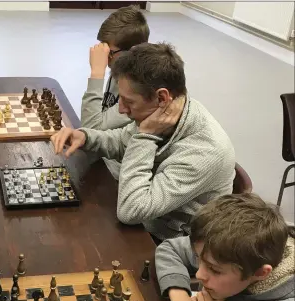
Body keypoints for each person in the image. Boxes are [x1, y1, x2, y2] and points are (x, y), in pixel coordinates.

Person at [51, 42, 235, 241]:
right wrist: (86, 137)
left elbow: (131, 210)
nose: (121, 109)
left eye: (129, 102)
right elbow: (123, 142)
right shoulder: (164, 111)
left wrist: (146, 135)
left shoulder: (205, 152)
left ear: (162, 97)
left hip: (169, 243)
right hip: (145, 218)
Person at [155, 193, 294, 301]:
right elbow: (170, 248)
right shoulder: (225, 249)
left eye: (214, 270)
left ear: (260, 273)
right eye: (199, 259)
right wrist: (179, 294)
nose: (199, 274)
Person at [81, 5, 150, 179]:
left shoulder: (139, 88)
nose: (105, 57)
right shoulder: (120, 71)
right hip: (104, 154)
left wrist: (97, 73)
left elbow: (90, 128)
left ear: (132, 52)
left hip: (119, 173)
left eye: (110, 53)